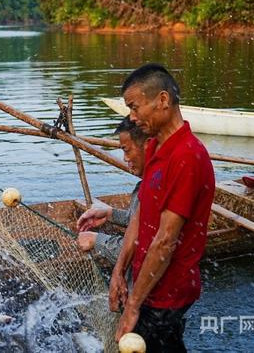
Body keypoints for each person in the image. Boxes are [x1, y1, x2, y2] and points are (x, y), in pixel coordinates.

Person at [109, 63, 215, 352]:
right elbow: (140, 214)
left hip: (168, 293)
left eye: (134, 107)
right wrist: (120, 271)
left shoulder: (187, 157)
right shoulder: (155, 146)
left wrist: (132, 306)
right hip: (147, 287)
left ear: (163, 101)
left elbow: (166, 241)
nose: (132, 117)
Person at [76, 117, 148, 264]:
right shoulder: (144, 186)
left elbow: (141, 249)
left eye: (127, 150)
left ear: (148, 145)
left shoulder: (155, 190)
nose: (125, 158)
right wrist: (109, 214)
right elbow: (137, 221)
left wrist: (97, 240)